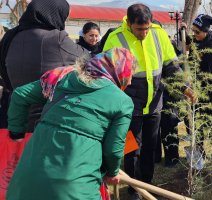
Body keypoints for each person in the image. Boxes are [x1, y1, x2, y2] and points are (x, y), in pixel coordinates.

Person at [6, 47, 135, 200]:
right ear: (121, 72)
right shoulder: (122, 101)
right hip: (74, 188)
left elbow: (20, 95)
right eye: (130, 74)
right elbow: (113, 150)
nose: (131, 80)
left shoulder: (62, 78)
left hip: (24, 183)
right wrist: (112, 173)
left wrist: (17, 133)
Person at [103, 4, 193, 199]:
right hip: (128, 106)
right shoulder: (115, 38)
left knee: (151, 147)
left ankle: (147, 184)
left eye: (147, 28)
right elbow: (108, 76)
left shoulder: (158, 34)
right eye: (139, 29)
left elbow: (171, 65)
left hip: (154, 103)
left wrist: (184, 86)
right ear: (129, 24)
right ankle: (134, 188)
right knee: (132, 148)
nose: (144, 33)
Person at [0, 0, 88, 130]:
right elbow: (86, 57)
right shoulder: (56, 38)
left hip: (16, 113)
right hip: (47, 119)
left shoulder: (10, 36)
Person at [182, 14, 212, 159]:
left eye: (197, 32)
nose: (195, 35)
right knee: (193, 119)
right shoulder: (200, 38)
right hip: (195, 87)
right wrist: (184, 31)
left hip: (208, 90)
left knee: (207, 119)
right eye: (193, 31)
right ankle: (199, 150)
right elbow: (188, 40)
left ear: (206, 31)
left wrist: (200, 92)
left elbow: (211, 77)